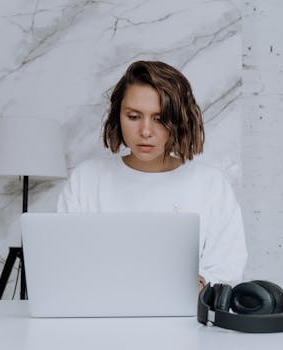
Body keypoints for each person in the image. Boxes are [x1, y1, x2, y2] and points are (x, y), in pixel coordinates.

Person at [57, 61, 247, 290]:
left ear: (179, 120)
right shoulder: (86, 180)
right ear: (118, 116)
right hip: (100, 318)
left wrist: (197, 283)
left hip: (184, 320)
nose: (145, 131)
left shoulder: (210, 185)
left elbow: (227, 269)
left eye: (158, 118)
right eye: (134, 116)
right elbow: (66, 263)